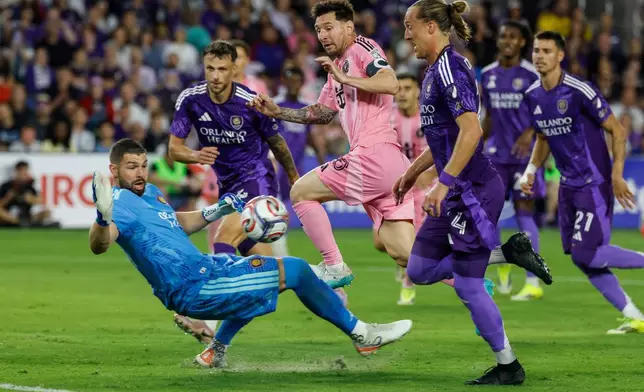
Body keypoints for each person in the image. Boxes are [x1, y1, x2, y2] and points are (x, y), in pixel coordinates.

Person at [89, 138, 413, 368]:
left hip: (206, 268)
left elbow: (175, 224)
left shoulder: (152, 193)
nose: (140, 173)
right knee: (296, 271)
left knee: (252, 285)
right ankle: (362, 334)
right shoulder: (118, 205)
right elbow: (100, 243)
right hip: (193, 287)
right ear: (114, 170)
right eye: (132, 167)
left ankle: (214, 351)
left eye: (144, 165)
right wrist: (102, 219)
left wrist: (217, 210)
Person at [397, 0, 553, 385]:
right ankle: (506, 253)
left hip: (473, 189)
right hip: (456, 189)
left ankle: (508, 366)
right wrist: (412, 172)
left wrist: (442, 183)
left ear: (432, 27)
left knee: (468, 285)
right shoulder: (434, 69)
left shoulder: (450, 68)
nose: (405, 35)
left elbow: (471, 132)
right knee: (417, 268)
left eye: (409, 26)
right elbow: (443, 138)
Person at [248, 0, 418, 288]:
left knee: (301, 192)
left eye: (329, 27)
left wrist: (344, 77)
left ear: (348, 27)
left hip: (373, 155)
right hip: (388, 165)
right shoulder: (336, 68)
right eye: (318, 29)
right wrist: (278, 111)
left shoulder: (363, 49)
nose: (323, 35)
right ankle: (472, 274)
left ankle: (334, 265)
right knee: (407, 256)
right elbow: (321, 113)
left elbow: (390, 83)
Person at [168, 40, 300, 342]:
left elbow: (277, 144)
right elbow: (174, 150)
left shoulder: (251, 102)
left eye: (222, 69)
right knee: (269, 277)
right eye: (210, 68)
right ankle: (336, 298)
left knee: (223, 238)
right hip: (229, 186)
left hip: (257, 181)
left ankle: (208, 323)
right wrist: (195, 155)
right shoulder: (190, 99)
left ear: (234, 69)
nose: (215, 75)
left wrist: (294, 176)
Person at [520, 31, 644, 335]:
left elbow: (617, 130)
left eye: (547, 51)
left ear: (560, 55)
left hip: (594, 182)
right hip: (568, 185)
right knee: (583, 259)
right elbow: (542, 137)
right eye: (536, 50)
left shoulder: (578, 90)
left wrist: (616, 175)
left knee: (585, 253)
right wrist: (531, 170)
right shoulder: (534, 95)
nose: (539, 56)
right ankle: (635, 316)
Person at [480, 20, 545, 301]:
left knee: (523, 212)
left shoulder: (532, 75)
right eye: (503, 35)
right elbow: (489, 116)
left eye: (513, 37)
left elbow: (544, 112)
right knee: (490, 213)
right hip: (495, 155)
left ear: (522, 43)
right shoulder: (488, 74)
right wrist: (476, 146)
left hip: (523, 157)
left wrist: (529, 132)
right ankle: (502, 270)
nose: (507, 40)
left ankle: (533, 280)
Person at [376, 72, 437, 305]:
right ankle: (403, 262)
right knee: (380, 242)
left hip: (424, 186)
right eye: (398, 88)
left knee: (416, 238)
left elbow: (445, 149)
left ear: (418, 92)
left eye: (408, 88)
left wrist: (431, 174)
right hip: (396, 186)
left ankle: (408, 285)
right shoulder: (387, 119)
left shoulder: (428, 117)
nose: (402, 93)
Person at [271, 65, 327, 257]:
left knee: (304, 205)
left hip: (299, 168)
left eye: (297, 81)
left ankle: (324, 250)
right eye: (290, 80)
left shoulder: (305, 108)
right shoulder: (276, 106)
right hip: (278, 168)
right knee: (275, 207)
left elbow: (309, 135)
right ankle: (279, 251)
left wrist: (321, 158)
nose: (293, 84)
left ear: (302, 83)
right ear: (283, 82)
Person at [0, 160, 55, 227]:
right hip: (10, 216)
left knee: (47, 212)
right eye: (20, 171)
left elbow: (41, 200)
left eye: (25, 171)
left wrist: (30, 199)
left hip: (27, 216)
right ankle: (19, 223)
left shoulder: (30, 185)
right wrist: (7, 198)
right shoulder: (6, 185)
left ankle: (24, 223)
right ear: (16, 171)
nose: (22, 173)